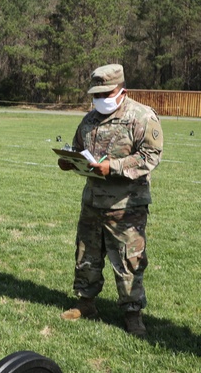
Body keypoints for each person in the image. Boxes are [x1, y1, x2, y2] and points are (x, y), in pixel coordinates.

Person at [58, 63, 164, 336]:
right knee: (87, 255)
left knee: (129, 261)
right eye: (96, 94)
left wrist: (113, 167)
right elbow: (80, 150)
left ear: (122, 91)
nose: (100, 99)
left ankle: (132, 313)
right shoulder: (89, 119)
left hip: (126, 206)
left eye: (106, 93)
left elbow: (150, 157)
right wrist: (70, 161)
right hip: (93, 202)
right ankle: (86, 302)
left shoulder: (141, 117)